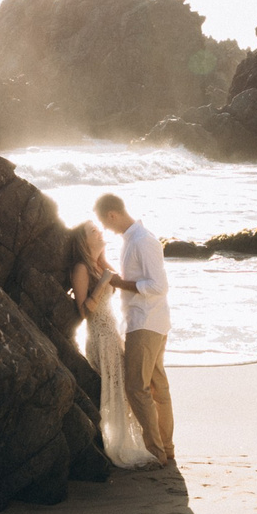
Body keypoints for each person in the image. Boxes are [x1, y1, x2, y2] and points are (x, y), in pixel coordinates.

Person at [93, 192, 175, 467]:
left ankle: (156, 452)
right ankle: (166, 448)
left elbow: (157, 286)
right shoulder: (132, 240)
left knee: (137, 388)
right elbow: (134, 278)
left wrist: (118, 283)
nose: (105, 229)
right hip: (148, 321)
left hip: (146, 322)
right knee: (155, 387)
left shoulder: (143, 241)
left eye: (105, 223)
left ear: (113, 215)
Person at [67, 218, 157, 469]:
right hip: (99, 338)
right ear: (84, 241)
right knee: (113, 391)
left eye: (98, 228)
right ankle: (115, 446)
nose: (100, 232)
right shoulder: (81, 269)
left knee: (124, 390)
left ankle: (129, 442)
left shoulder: (100, 265)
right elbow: (84, 311)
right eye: (93, 231)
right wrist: (104, 282)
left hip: (112, 334)